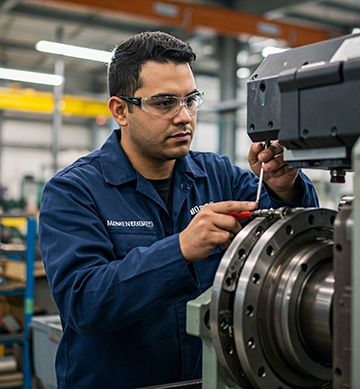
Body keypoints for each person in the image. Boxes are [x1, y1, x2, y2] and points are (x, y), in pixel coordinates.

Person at [39, 31, 318, 389]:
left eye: (190, 100)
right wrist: (180, 250)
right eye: (164, 103)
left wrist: (285, 186)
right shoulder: (75, 191)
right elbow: (84, 303)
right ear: (120, 110)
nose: (184, 117)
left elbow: (296, 238)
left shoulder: (219, 177)